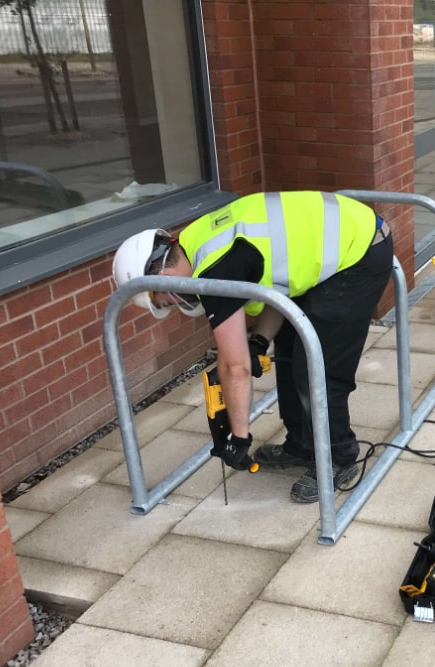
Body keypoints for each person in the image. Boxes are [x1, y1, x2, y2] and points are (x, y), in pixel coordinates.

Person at [112, 191, 394, 503]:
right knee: (289, 349)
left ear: (163, 279)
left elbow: (235, 366)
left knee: (317, 368)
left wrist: (239, 435)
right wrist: (259, 341)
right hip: (339, 238)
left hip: (359, 250)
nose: (173, 305)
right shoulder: (192, 244)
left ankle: (339, 457)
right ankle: (302, 446)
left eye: (162, 300)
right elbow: (278, 280)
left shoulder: (214, 271)